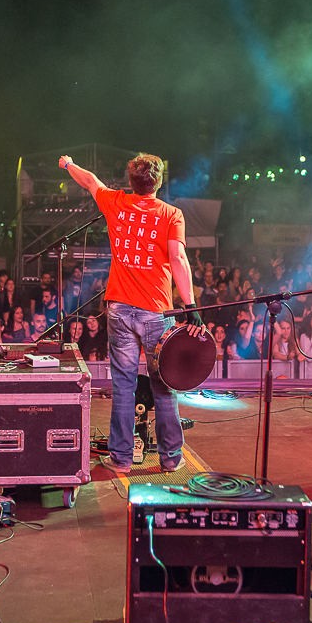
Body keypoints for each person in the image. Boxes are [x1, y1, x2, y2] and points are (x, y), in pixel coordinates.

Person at [60, 152, 203, 473]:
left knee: (124, 387)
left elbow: (89, 181)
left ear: (131, 181)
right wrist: (191, 306)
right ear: (159, 181)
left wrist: (68, 165)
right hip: (156, 311)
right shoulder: (171, 214)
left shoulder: (116, 203)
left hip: (120, 309)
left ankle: (122, 459)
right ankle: (170, 458)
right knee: (164, 385)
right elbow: (179, 259)